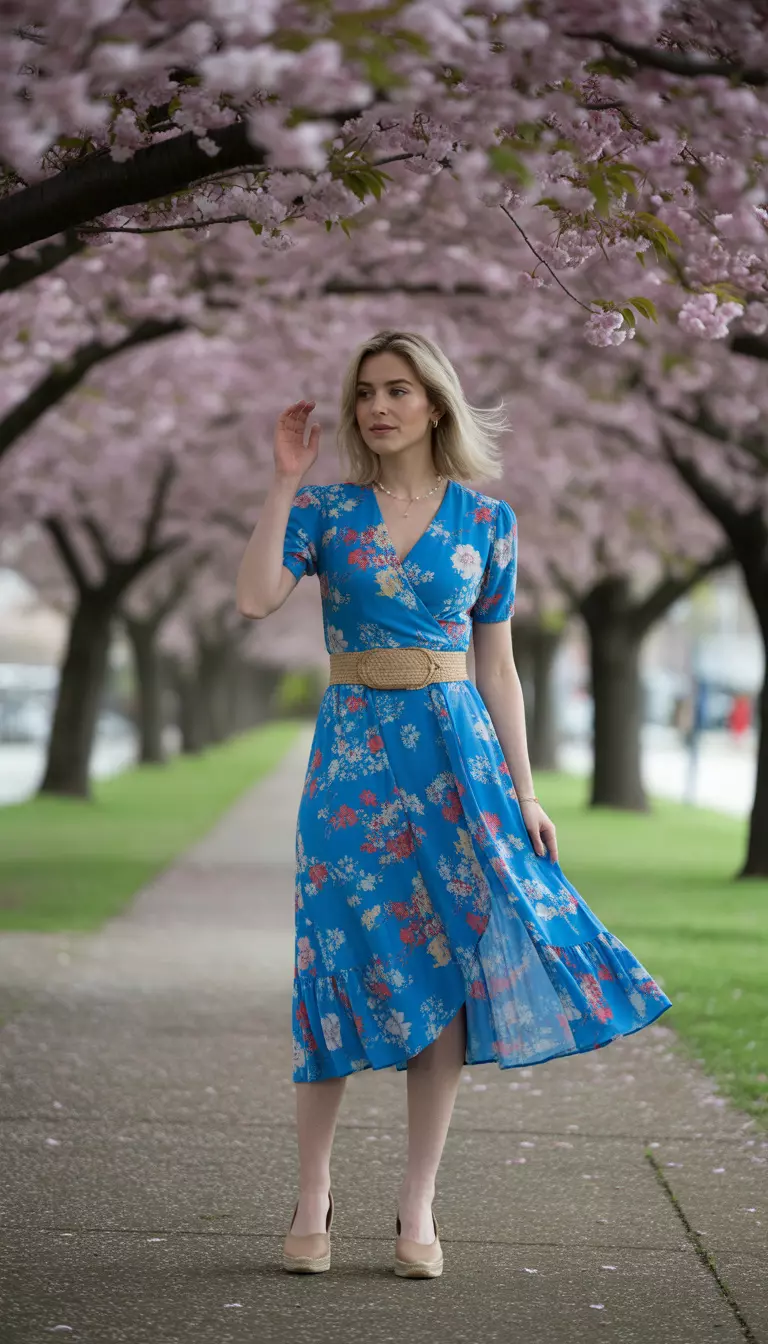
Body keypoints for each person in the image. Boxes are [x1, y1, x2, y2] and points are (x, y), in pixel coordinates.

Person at [236, 329, 672, 1279]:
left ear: (436, 402)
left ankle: (417, 1205)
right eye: (365, 393)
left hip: (455, 760)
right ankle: (313, 1191)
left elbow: (501, 668)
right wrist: (280, 481)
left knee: (443, 985)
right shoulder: (324, 510)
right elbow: (258, 596)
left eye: (398, 390)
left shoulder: (488, 524)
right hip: (349, 762)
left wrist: (524, 792)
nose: (378, 407)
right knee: (336, 964)